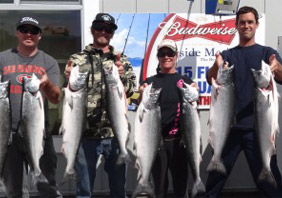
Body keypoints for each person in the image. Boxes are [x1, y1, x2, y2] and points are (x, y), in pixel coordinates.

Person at [0, 16, 62, 198]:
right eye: (24, 30)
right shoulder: (0, 59)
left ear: (40, 35)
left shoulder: (49, 62)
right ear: (17, 33)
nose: (28, 34)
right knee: (14, 191)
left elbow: (56, 98)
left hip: (39, 134)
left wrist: (46, 85)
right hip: (8, 136)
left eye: (33, 31)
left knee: (48, 189)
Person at [205, 6, 282, 197]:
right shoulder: (228, 55)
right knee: (214, 181)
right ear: (236, 26)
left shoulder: (267, 53)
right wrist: (216, 66)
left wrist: (276, 67)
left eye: (250, 22)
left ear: (257, 24)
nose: (246, 26)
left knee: (270, 183)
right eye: (242, 22)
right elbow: (210, 79)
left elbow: (281, 76)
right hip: (228, 130)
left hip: (259, 131)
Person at [64, 13, 136, 198]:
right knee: (84, 190)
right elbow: (67, 91)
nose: (103, 32)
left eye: (108, 29)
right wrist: (66, 77)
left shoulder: (122, 59)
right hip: (86, 134)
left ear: (112, 33)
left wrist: (120, 76)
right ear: (92, 29)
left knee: (119, 189)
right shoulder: (78, 58)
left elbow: (130, 91)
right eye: (99, 27)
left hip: (114, 134)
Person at [139, 39, 198, 198]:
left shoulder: (185, 82)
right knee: (159, 189)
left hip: (179, 143)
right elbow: (141, 111)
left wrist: (194, 92)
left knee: (180, 188)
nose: (166, 57)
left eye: (170, 53)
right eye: (162, 53)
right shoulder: (149, 82)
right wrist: (141, 94)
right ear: (158, 57)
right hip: (156, 144)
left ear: (176, 56)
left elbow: (193, 109)